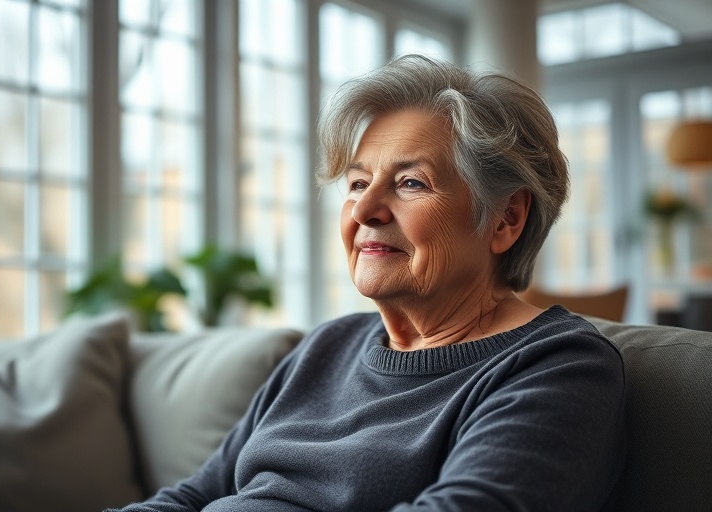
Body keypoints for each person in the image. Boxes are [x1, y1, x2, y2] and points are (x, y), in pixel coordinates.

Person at [105, 55, 626, 512]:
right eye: (357, 183)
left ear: (505, 219)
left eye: (410, 183)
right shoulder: (327, 347)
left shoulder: (558, 367)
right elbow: (193, 497)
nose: (366, 210)